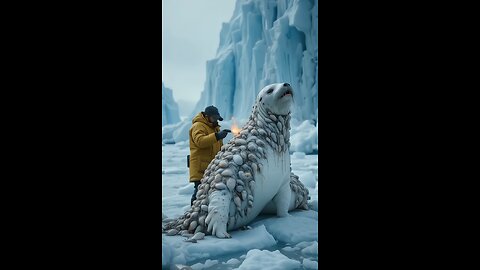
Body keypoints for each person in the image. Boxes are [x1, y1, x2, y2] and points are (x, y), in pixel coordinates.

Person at [189, 106, 230, 206]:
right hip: (201, 166)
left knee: (206, 192)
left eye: (217, 118)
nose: (216, 120)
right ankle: (193, 212)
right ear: (206, 116)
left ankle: (204, 213)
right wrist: (217, 136)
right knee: (199, 192)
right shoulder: (198, 126)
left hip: (210, 166)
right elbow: (200, 141)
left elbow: (218, 147)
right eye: (214, 118)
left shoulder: (214, 128)